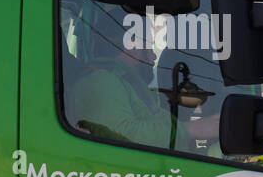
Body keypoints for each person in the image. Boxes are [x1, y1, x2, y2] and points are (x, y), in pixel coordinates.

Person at [68, 13, 218, 151]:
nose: (153, 56)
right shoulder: (99, 82)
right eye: (149, 45)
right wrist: (191, 129)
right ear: (131, 45)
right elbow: (121, 137)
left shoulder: (122, 82)